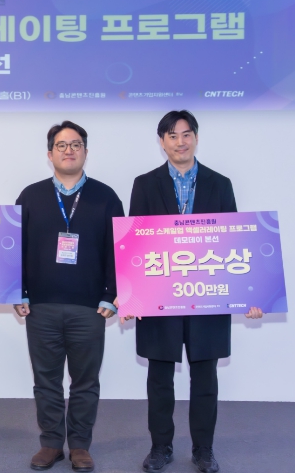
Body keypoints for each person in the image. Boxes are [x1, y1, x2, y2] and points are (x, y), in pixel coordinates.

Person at [121, 110, 263, 473]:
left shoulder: (220, 183)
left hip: (207, 297)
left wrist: (249, 294)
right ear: (162, 141)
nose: (180, 142)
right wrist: (132, 294)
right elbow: (135, 243)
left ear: (196, 138)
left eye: (186, 134)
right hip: (159, 299)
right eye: (172, 136)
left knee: (205, 381)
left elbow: (233, 241)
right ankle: (160, 448)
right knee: (159, 379)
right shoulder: (145, 184)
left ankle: (204, 450)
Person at [14, 121, 124, 472]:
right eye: (61, 145)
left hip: (90, 308)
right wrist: (18, 291)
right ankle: (50, 443)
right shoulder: (30, 196)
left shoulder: (106, 196)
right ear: (50, 154)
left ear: (85, 152)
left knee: (85, 382)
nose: (69, 150)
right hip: (41, 307)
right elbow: (15, 249)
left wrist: (111, 295)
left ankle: (79, 445)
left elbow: (118, 251)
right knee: (46, 381)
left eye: (76, 144)